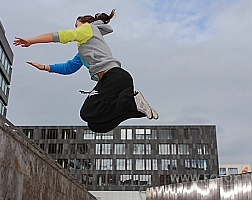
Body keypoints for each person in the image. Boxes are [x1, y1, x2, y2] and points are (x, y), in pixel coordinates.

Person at [13, 9, 158, 133]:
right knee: (97, 124)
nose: (76, 29)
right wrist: (44, 67)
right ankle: (135, 108)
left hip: (114, 77)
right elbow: (69, 67)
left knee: (88, 111)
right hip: (115, 80)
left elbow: (61, 35)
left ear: (84, 23)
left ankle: (131, 100)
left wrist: (31, 40)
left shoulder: (88, 29)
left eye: (76, 25)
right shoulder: (85, 50)